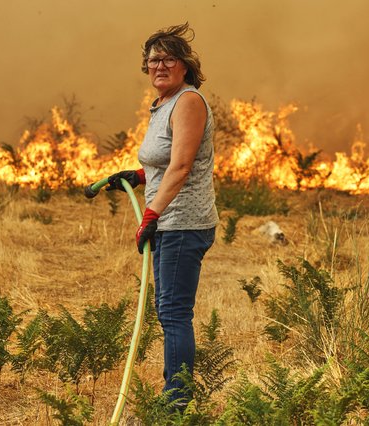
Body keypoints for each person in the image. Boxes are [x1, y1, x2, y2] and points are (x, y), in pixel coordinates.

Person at [106, 22, 218, 404]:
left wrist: (151, 214)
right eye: (153, 59)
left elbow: (183, 165)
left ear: (185, 65)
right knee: (169, 311)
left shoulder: (188, 101)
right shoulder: (162, 105)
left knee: (173, 314)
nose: (159, 65)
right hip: (169, 222)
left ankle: (177, 404)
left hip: (183, 223)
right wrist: (138, 176)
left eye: (169, 58)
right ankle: (176, 397)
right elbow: (166, 160)